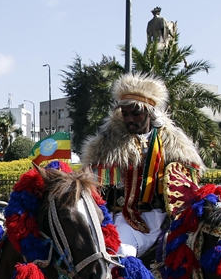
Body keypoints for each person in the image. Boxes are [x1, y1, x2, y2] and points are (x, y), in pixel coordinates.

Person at [82, 73, 204, 260]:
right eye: (125, 113)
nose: (130, 119)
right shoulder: (107, 145)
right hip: (126, 219)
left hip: (165, 219)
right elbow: (94, 184)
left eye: (135, 113)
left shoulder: (174, 145)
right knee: (120, 252)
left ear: (149, 111)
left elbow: (188, 183)